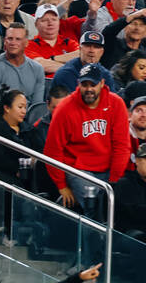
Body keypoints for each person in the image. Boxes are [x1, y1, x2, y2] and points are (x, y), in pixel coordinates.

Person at [43, 63, 129, 208]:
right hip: (78, 169)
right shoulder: (65, 108)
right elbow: (53, 150)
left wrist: (115, 180)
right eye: (84, 84)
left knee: (120, 204)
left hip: (109, 169)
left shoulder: (116, 103)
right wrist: (62, 186)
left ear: (102, 83)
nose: (89, 89)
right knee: (94, 205)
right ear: (78, 84)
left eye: (93, 84)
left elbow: (121, 146)